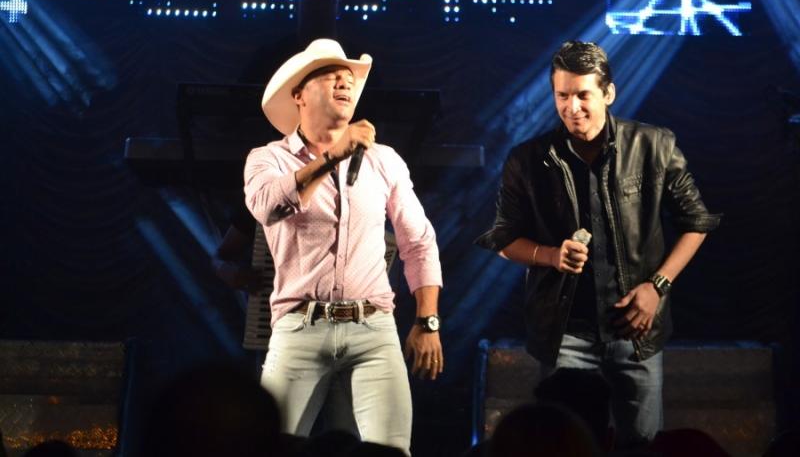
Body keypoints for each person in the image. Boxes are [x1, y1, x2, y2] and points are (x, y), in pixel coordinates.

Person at [476, 41, 720, 447]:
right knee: (563, 447)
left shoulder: (653, 145)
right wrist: (550, 255)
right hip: (564, 334)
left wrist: (657, 287)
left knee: (641, 447)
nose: (572, 107)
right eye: (562, 96)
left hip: (636, 330)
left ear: (608, 93)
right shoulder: (528, 158)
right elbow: (503, 238)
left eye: (582, 95)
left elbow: (697, 222)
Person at [244, 38, 444, 454]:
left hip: (373, 329)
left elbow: (418, 241)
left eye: (349, 78)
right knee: (266, 447)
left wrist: (428, 320)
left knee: (392, 451)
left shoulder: (384, 160)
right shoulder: (268, 159)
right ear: (298, 95)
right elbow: (267, 207)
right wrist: (333, 156)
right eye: (330, 75)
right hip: (298, 327)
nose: (345, 82)